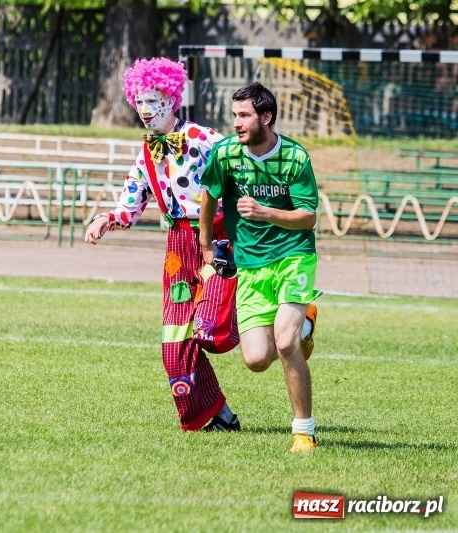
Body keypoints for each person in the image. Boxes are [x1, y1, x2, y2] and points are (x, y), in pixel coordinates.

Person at [85, 57, 240, 432]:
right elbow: (131, 202)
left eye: (152, 99)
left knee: (211, 332)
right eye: (139, 100)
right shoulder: (146, 154)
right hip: (177, 251)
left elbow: (242, 169)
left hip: (217, 241)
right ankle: (215, 415)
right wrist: (108, 218)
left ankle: (298, 325)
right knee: (174, 344)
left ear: (172, 99)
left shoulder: (205, 139)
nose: (144, 108)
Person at [198, 81, 320, 453]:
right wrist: (204, 245)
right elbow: (209, 195)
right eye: (234, 115)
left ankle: (304, 433)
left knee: (285, 342)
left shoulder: (295, 158)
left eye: (245, 115)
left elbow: (309, 217)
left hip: (293, 256)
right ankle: (308, 322)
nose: (236, 123)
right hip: (250, 265)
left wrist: (266, 212)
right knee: (255, 359)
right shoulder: (225, 153)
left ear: (266, 117)